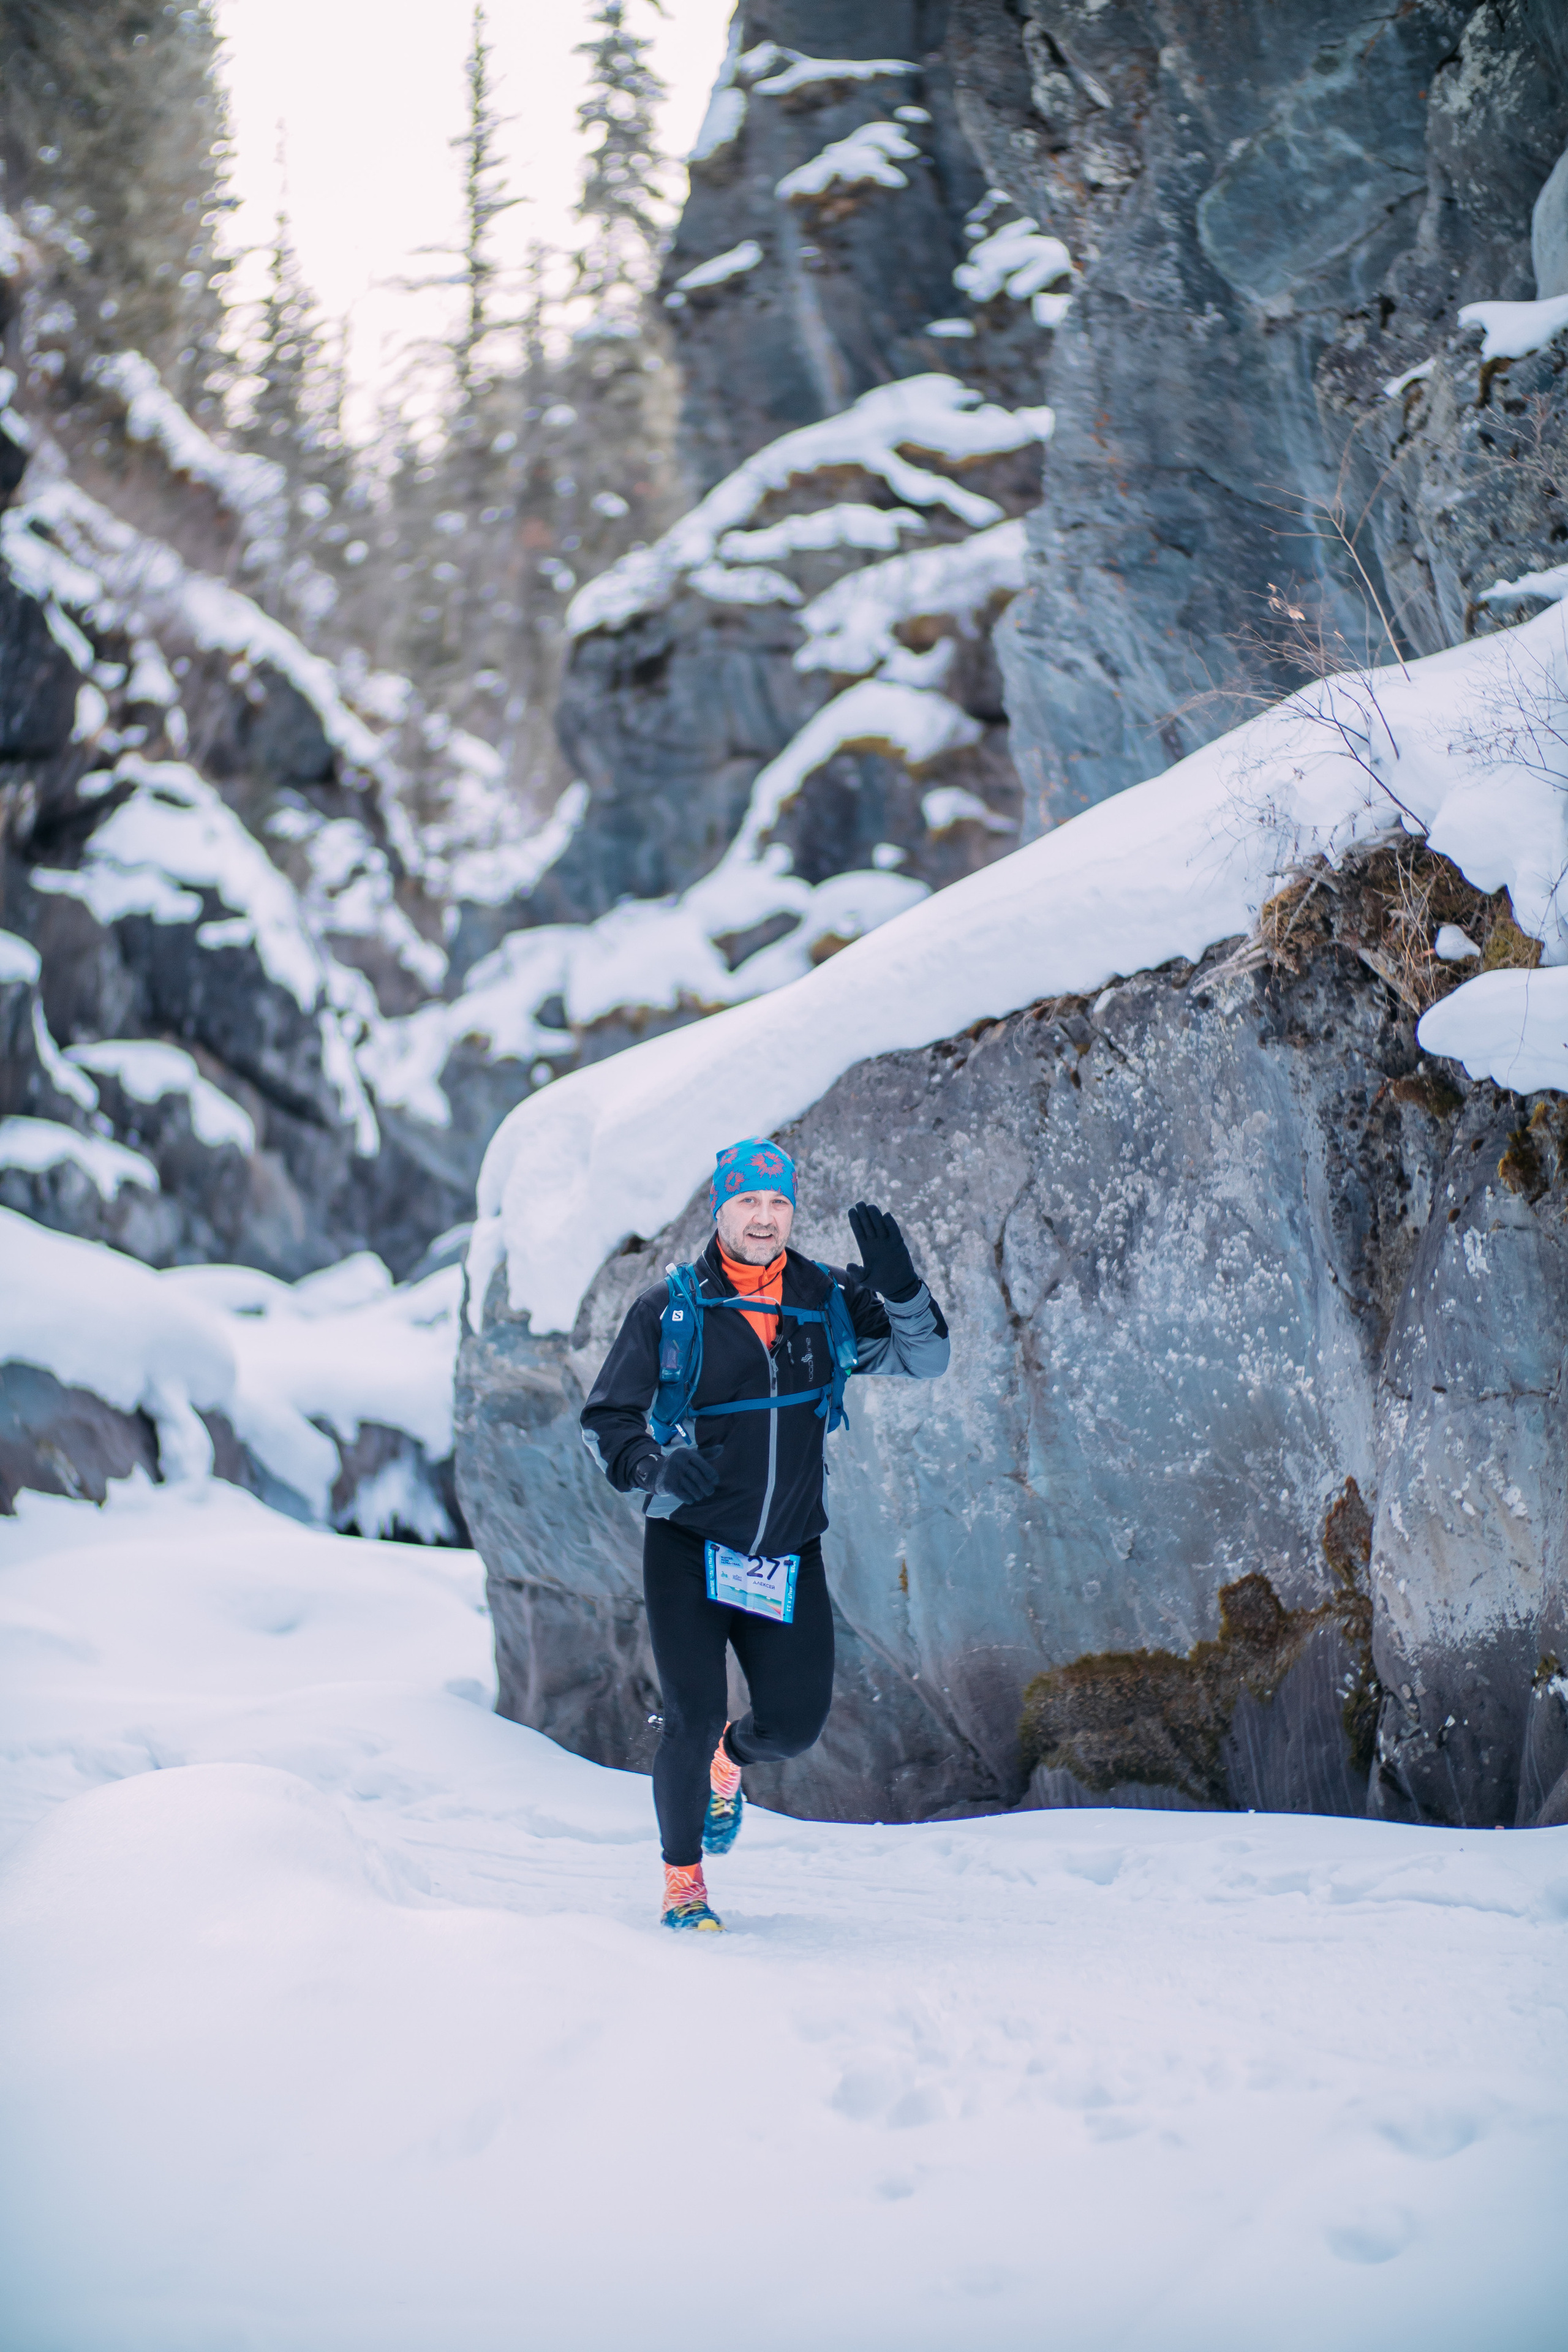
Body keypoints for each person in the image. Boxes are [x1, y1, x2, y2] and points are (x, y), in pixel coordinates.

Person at [580, 1136, 951, 1931]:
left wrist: (903, 1291)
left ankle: (732, 1760)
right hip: (687, 1548)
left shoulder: (826, 1299)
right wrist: (654, 1466)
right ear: (720, 1210)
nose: (764, 1217)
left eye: (778, 1202)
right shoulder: (671, 1309)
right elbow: (606, 1420)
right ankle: (684, 1885)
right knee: (691, 1716)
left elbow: (926, 1360)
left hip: (786, 1551)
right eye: (747, 1200)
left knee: (792, 1726)